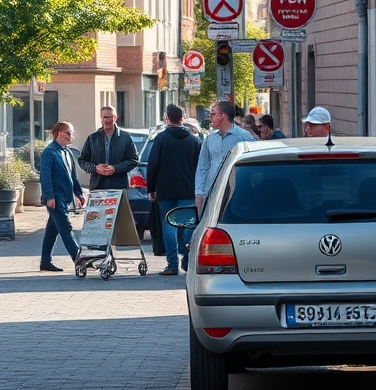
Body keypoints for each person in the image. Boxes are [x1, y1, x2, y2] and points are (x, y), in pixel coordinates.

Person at [146, 104, 202, 276]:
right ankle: (186, 257)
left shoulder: (161, 139)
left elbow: (153, 165)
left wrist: (152, 188)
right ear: (182, 118)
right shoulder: (193, 140)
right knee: (186, 225)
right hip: (187, 189)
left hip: (166, 190)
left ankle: (172, 264)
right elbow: (199, 166)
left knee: (168, 225)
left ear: (167, 118)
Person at [38, 121, 85, 272]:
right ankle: (79, 260)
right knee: (66, 229)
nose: (71, 136)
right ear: (59, 134)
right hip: (55, 198)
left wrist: (79, 192)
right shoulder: (49, 152)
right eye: (68, 133)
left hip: (65, 198)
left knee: (52, 230)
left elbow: (73, 176)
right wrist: (49, 196)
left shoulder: (67, 152)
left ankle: (45, 262)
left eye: (72, 133)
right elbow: (45, 176)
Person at [195, 101, 255, 212]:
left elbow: (253, 166)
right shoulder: (210, 138)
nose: (210, 117)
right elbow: (202, 167)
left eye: (213, 114)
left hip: (236, 192)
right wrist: (199, 193)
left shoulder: (244, 137)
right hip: (211, 192)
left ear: (224, 115)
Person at [77, 106, 139, 191]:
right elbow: (82, 161)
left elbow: (134, 160)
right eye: (104, 117)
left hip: (118, 188)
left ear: (115, 118)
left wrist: (115, 168)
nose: (107, 120)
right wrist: (95, 168)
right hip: (97, 187)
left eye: (110, 117)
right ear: (101, 118)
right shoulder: (92, 138)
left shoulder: (125, 137)